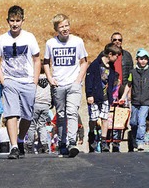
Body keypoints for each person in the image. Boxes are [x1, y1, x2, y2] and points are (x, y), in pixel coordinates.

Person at [0, 5, 41, 159]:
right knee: (11, 114)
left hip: (27, 82)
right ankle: (13, 146)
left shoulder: (29, 37)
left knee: (27, 116)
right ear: (7, 21)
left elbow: (37, 59)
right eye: (12, 21)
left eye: (18, 21)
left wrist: (34, 82)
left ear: (23, 21)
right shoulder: (2, 39)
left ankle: (20, 139)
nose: (15, 24)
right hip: (10, 81)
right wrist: (3, 80)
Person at [43, 14, 88, 158]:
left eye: (66, 25)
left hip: (73, 84)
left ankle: (72, 142)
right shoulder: (51, 43)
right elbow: (45, 62)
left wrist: (78, 80)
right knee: (61, 114)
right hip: (58, 84)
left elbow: (84, 62)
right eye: (61, 27)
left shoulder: (78, 42)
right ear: (56, 29)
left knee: (72, 112)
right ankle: (62, 143)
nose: (65, 29)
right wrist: (50, 78)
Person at [120, 48, 149, 152]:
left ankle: (140, 142)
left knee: (142, 121)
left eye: (145, 59)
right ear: (137, 59)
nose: (143, 61)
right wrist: (123, 97)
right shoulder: (132, 72)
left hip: (146, 102)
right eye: (141, 59)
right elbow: (128, 85)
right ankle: (133, 139)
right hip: (135, 101)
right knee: (133, 122)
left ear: (147, 60)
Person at [85, 43, 121, 153]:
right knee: (94, 119)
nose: (116, 59)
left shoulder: (111, 67)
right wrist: (89, 94)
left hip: (105, 97)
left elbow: (111, 82)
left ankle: (104, 141)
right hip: (95, 97)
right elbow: (89, 80)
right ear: (110, 54)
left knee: (105, 118)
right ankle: (92, 136)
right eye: (116, 56)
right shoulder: (96, 65)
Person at [26, 62, 52, 154]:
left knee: (31, 125)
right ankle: (44, 145)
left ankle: (29, 145)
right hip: (46, 105)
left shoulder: (34, 79)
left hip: (36, 103)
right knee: (42, 125)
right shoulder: (49, 79)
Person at [109, 32, 134, 99]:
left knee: (123, 108)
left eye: (119, 40)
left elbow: (131, 74)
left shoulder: (127, 55)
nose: (117, 41)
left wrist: (130, 91)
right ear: (111, 41)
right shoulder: (106, 55)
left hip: (123, 87)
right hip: (110, 87)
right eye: (115, 40)